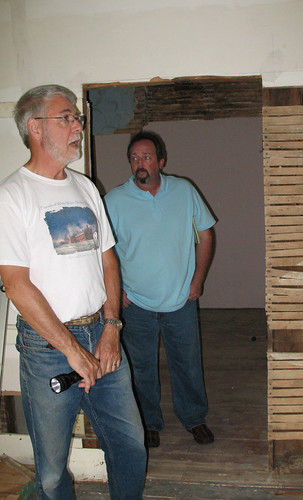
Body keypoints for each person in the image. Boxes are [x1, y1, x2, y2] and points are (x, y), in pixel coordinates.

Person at [0, 85, 146, 499]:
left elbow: (108, 261)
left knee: (130, 446)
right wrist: (70, 349)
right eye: (66, 117)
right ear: (35, 127)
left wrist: (113, 326)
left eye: (77, 118)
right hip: (47, 348)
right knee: (50, 472)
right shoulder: (12, 196)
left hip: (102, 335)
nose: (78, 125)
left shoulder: (85, 187)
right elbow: (15, 283)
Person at [104, 130, 216, 449]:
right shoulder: (113, 201)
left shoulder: (184, 191)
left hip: (180, 299)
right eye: (135, 158)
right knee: (140, 367)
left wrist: (198, 279)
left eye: (147, 157)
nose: (140, 163)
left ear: (161, 161)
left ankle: (194, 418)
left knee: (188, 363)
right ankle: (149, 421)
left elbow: (206, 235)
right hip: (135, 302)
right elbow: (102, 252)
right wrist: (115, 291)